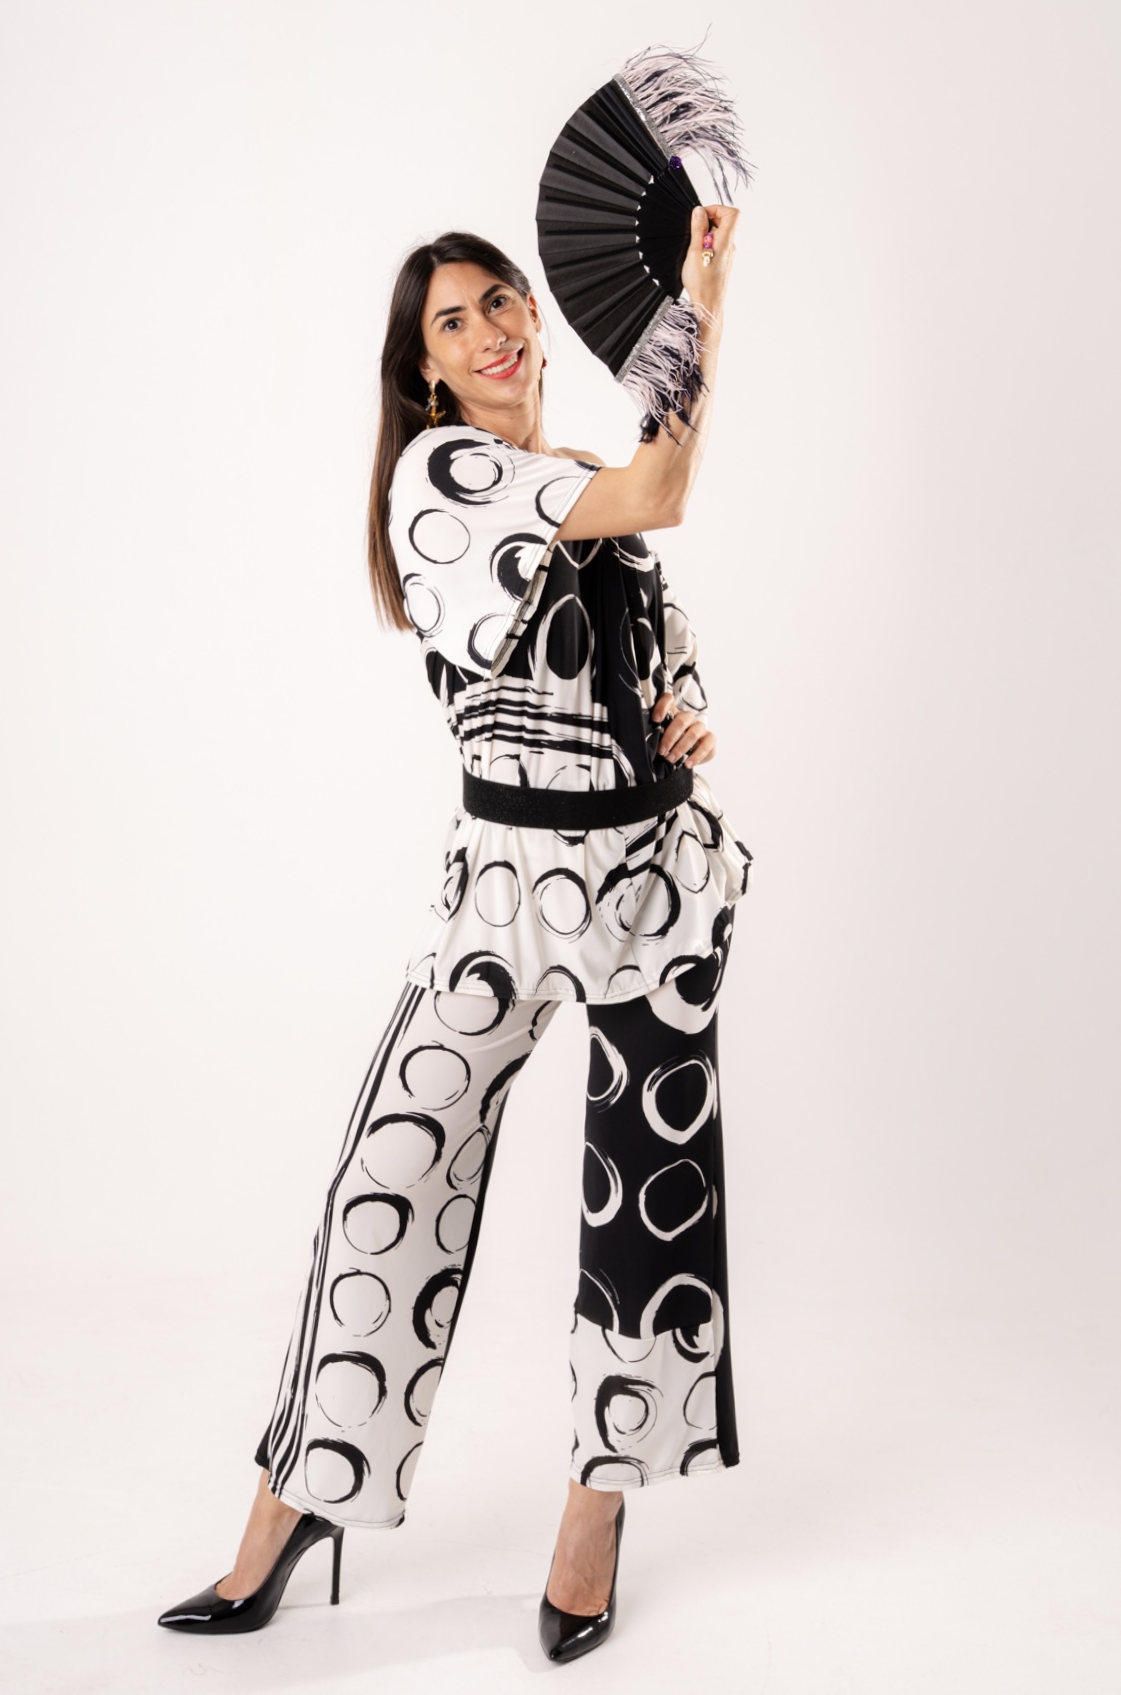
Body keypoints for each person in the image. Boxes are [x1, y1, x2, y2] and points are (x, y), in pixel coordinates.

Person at [158, 204, 751, 1664]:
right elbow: (664, 484)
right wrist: (701, 299)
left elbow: (657, 661)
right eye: (451, 320)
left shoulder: (584, 492)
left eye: (500, 303)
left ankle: (593, 1517)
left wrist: (680, 719)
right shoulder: (447, 475)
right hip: (502, 895)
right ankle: (290, 1507)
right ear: (424, 368)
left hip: (645, 885)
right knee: (391, 1178)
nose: (487, 331)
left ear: (534, 321)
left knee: (646, 1209)